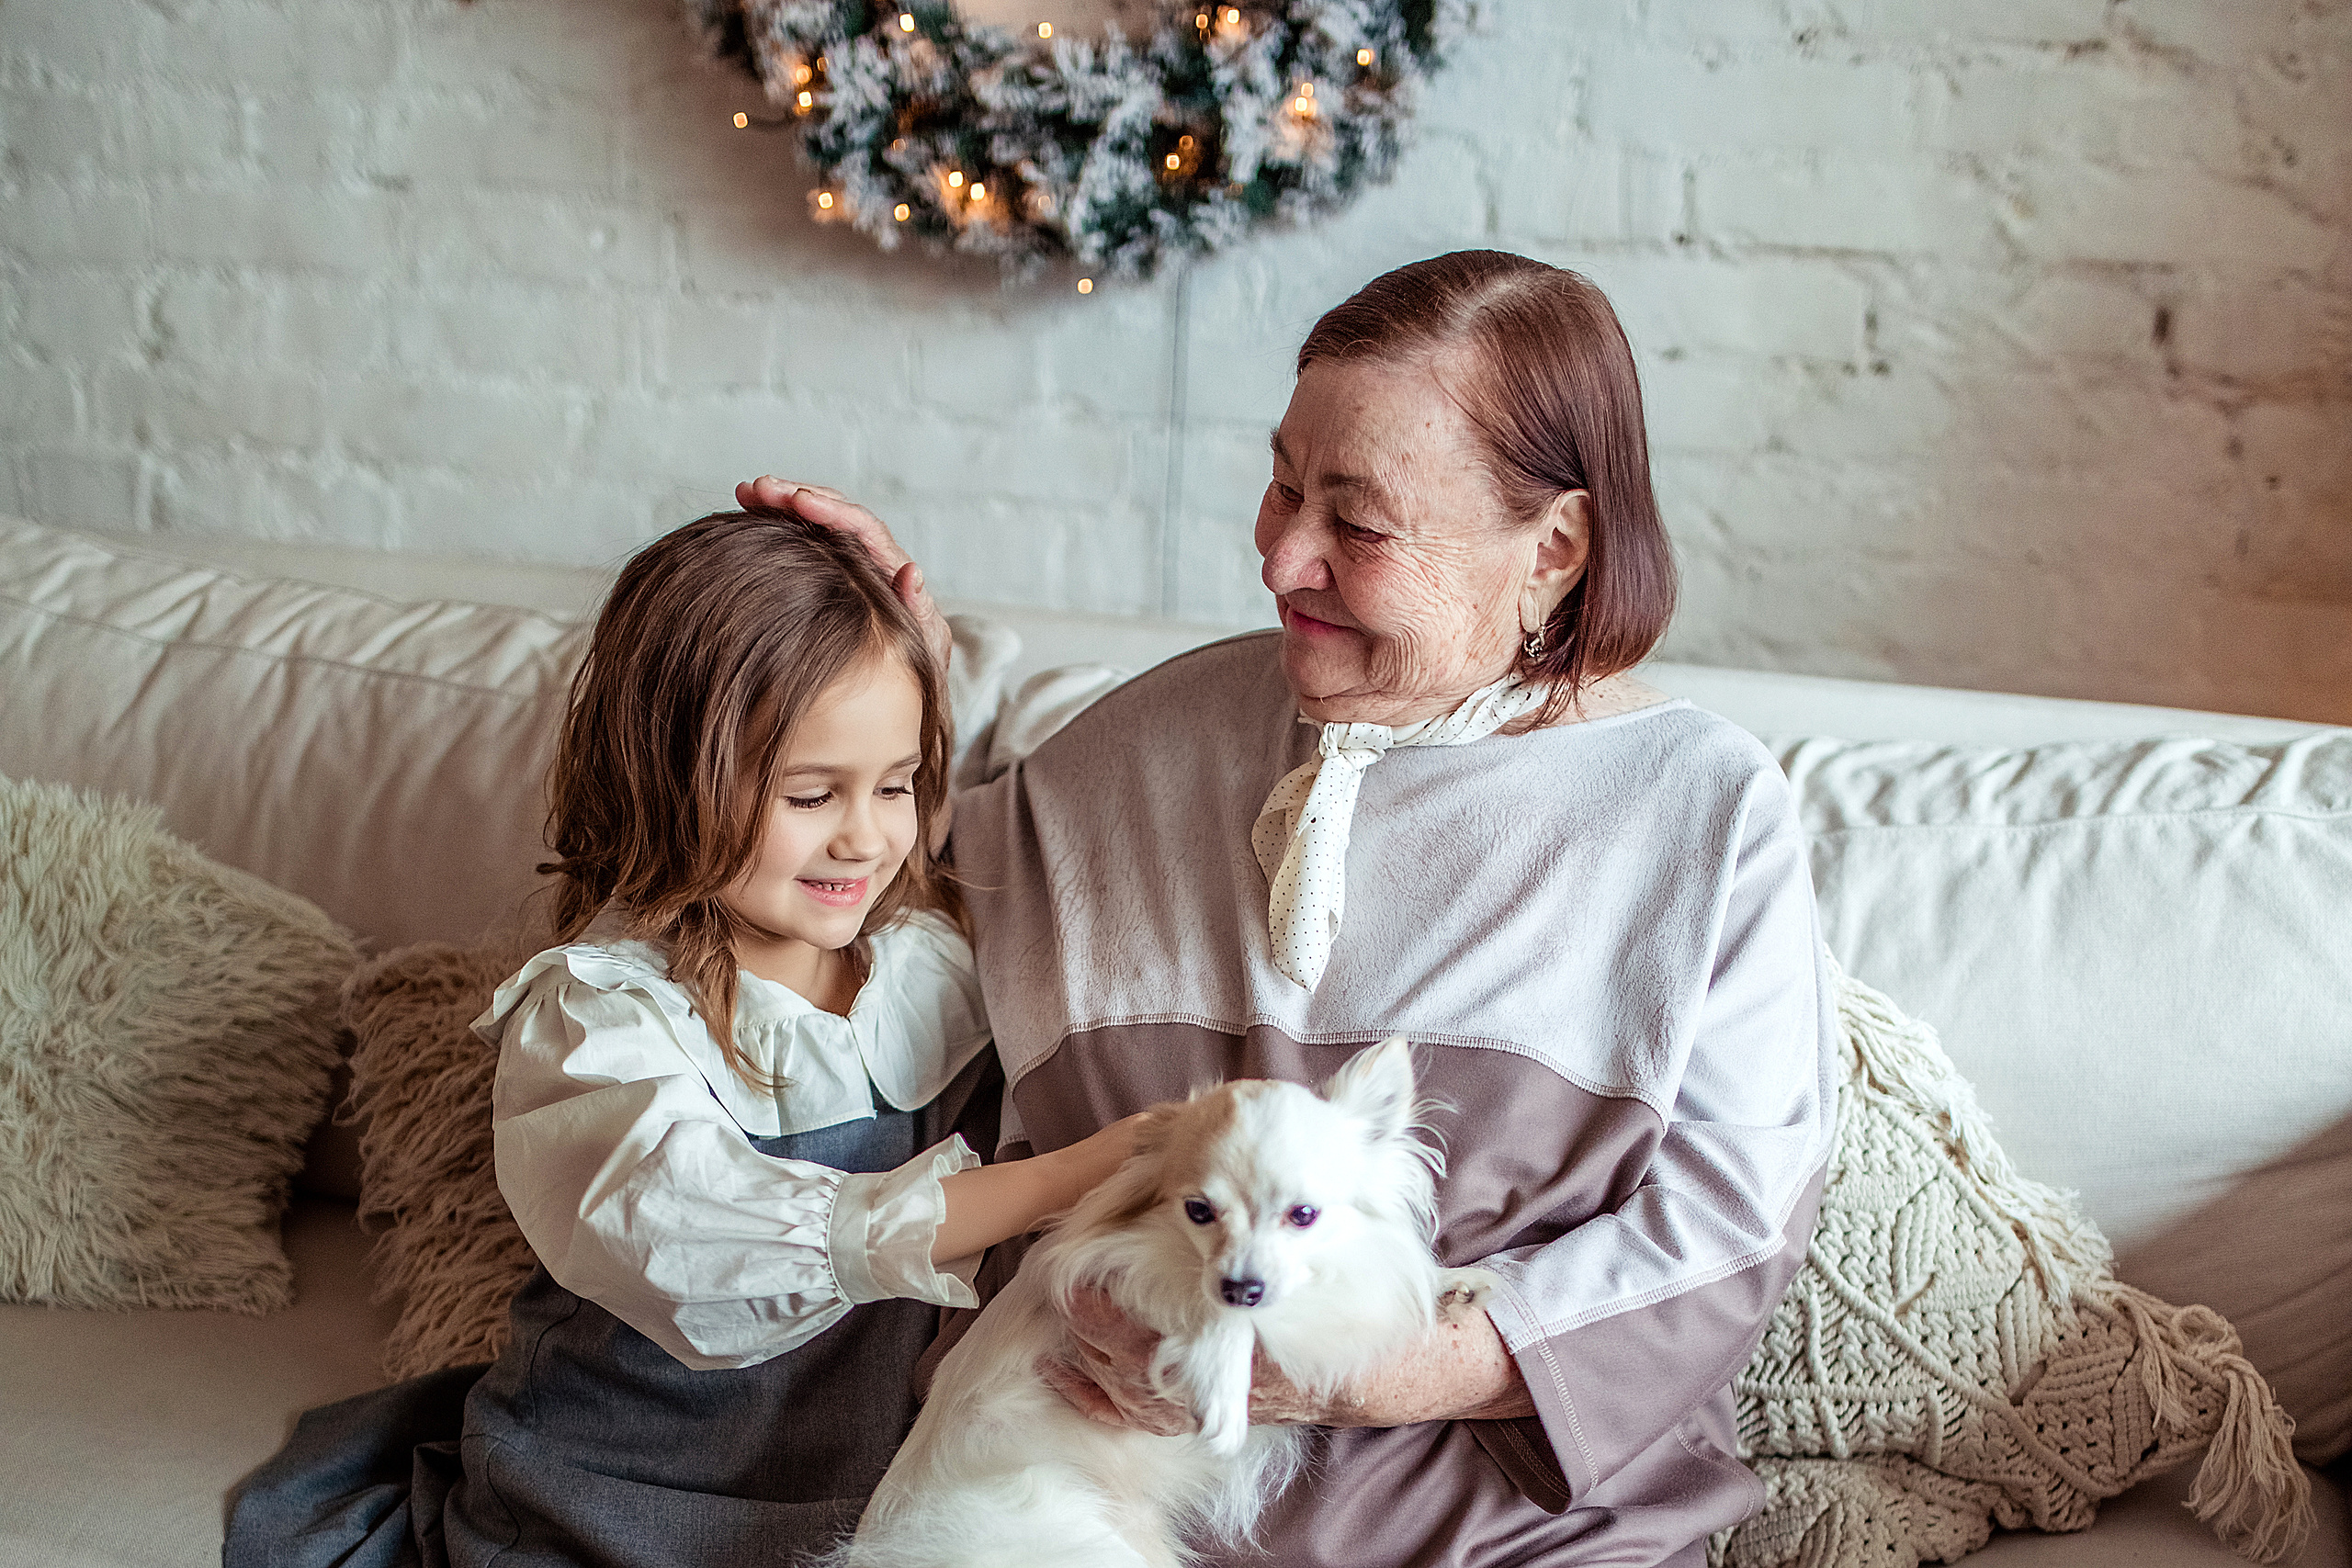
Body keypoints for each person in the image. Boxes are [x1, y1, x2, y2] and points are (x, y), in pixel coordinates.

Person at [740, 249, 1839, 1567]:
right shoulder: (1135, 748)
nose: (1280, 559)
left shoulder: (1699, 811)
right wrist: (878, 680)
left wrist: (1345, 1374)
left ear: (1552, 548)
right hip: (1089, 1521)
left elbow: (1726, 1234)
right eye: (1281, 487)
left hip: (1522, 1545)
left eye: (1357, 526)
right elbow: (854, 906)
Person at [227, 509, 1139, 1568]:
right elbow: (698, 1228)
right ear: (674, 777)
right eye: (812, 794)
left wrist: (913, 652)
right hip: (618, 1491)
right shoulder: (600, 1016)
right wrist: (1064, 1179)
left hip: (853, 1500)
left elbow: (1045, 816)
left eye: (894, 785)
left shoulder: (921, 953)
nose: (865, 836)